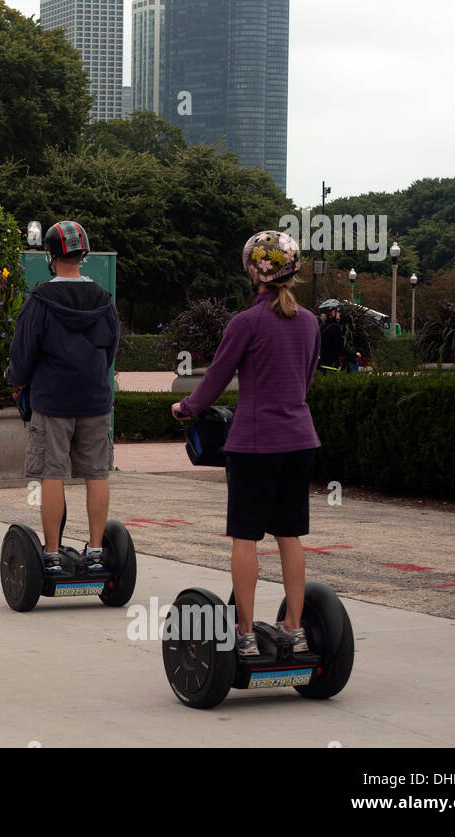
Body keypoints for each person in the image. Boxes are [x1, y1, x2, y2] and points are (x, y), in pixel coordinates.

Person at [171, 231, 320, 657]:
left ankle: (246, 632)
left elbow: (214, 381)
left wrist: (185, 407)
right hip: (300, 440)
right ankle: (294, 628)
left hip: (255, 445)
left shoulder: (246, 323)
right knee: (289, 535)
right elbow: (305, 381)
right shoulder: (310, 322)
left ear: (253, 271)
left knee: (245, 537)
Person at [5, 221, 120, 574]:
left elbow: (23, 352)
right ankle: (98, 550)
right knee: (96, 474)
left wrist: (16, 380)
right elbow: (112, 349)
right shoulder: (104, 300)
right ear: (83, 255)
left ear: (51, 257)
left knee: (52, 473)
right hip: (95, 400)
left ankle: (52, 554)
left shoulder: (40, 299)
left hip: (52, 399)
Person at [317, 300, 352, 376]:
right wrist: (355, 354)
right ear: (332, 312)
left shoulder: (321, 326)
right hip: (330, 367)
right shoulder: (335, 327)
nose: (340, 313)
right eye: (338, 311)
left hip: (320, 365)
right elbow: (340, 350)